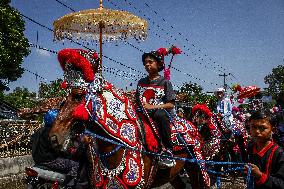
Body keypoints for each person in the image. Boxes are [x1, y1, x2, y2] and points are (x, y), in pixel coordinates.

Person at [136, 50, 176, 168]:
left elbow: (170, 104)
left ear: (158, 64)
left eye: (150, 62)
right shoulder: (141, 82)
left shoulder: (165, 82)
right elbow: (138, 100)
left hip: (158, 112)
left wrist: (152, 107)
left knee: (160, 115)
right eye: (145, 63)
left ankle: (168, 150)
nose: (147, 64)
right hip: (142, 112)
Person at [30, 109, 80, 187]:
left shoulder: (39, 130)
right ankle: (69, 184)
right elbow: (57, 148)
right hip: (50, 160)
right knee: (75, 165)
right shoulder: (52, 133)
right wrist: (67, 153)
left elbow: (31, 142)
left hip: (37, 159)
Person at [244, 109, 284, 189]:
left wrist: (260, 176)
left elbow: (281, 184)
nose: (257, 131)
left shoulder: (279, 153)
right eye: (253, 127)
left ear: (273, 130)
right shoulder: (250, 149)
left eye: (262, 128)